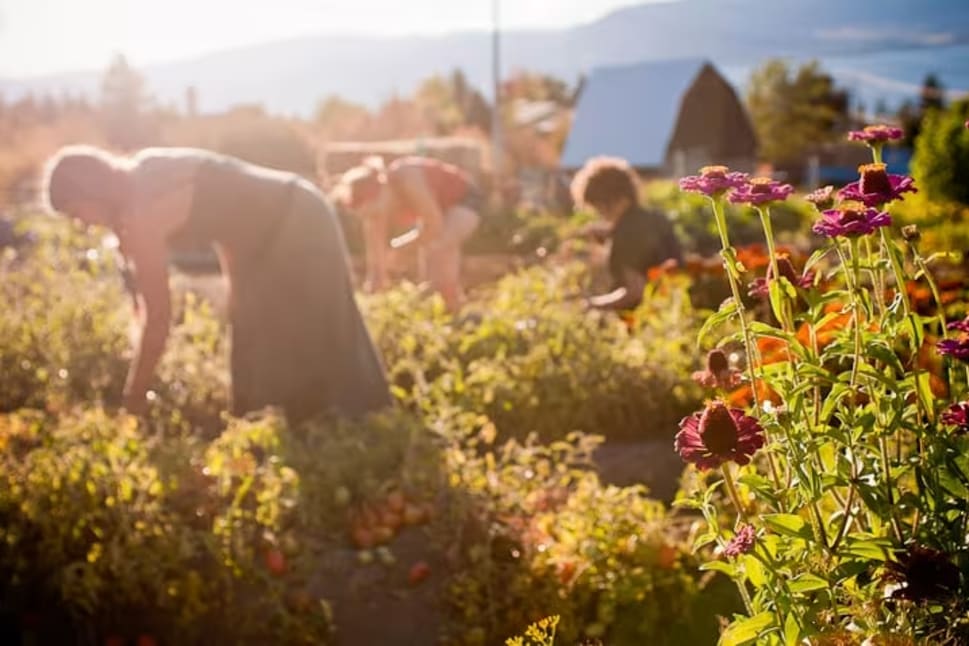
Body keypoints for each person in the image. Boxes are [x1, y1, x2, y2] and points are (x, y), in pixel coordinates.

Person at [42, 145, 392, 423]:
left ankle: (371, 430)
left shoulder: (143, 210)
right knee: (253, 341)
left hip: (296, 217)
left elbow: (159, 318)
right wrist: (238, 288)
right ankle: (277, 436)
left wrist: (132, 401)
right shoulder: (141, 169)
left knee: (323, 331)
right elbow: (227, 217)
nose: (83, 224)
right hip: (267, 237)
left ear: (91, 192)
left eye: (77, 212)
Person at [334, 155, 482, 311]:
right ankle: (439, 308)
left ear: (379, 192)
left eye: (376, 213)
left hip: (465, 200)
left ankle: (454, 309)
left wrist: (400, 248)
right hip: (437, 209)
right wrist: (376, 276)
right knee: (430, 268)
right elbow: (375, 248)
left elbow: (433, 225)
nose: (377, 218)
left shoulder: (407, 178)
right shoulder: (377, 204)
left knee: (439, 248)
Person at [569, 156, 682, 310]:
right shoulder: (655, 217)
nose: (599, 212)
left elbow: (635, 292)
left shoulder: (625, 234)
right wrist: (611, 233)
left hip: (645, 317)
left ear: (613, 199)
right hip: (675, 306)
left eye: (599, 205)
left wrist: (592, 304)